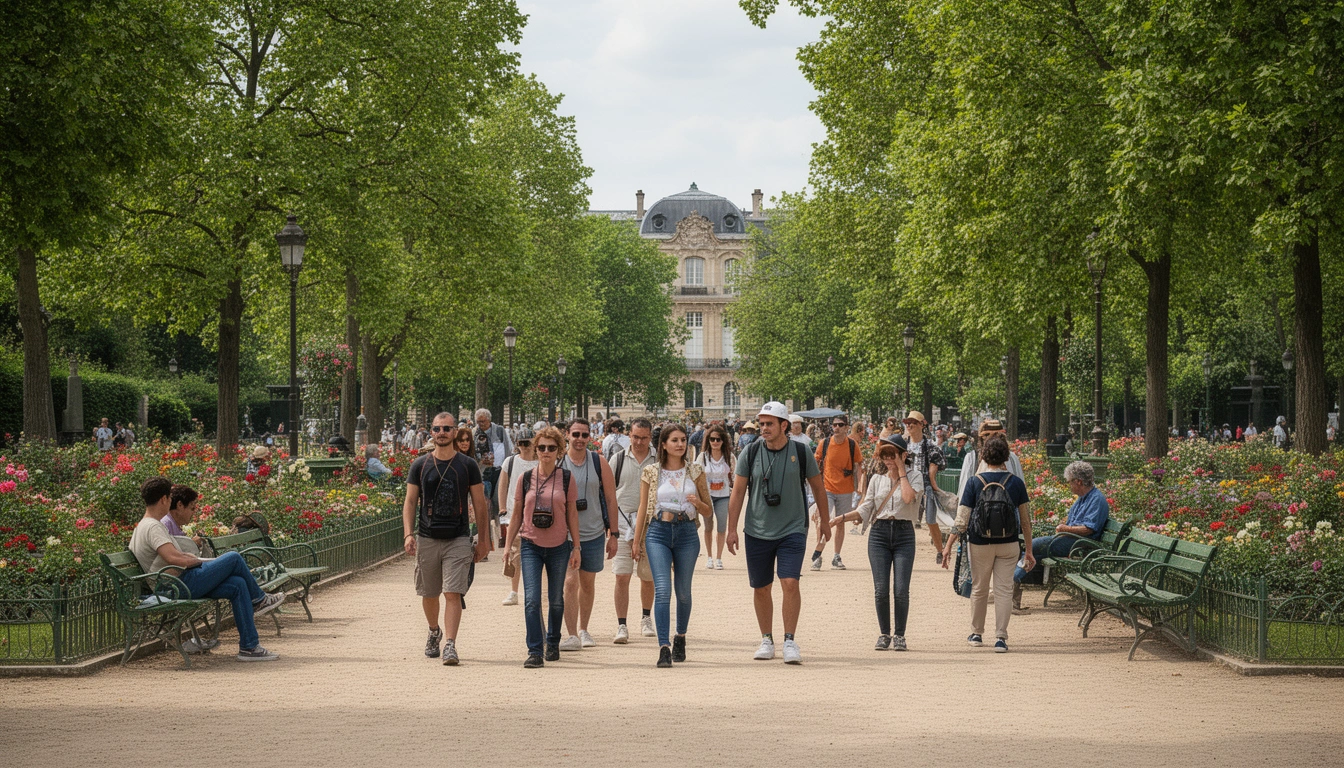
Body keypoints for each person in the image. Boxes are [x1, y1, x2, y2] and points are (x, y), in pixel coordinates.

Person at [128, 476, 284, 661]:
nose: (170, 502)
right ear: (163, 499)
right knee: (233, 558)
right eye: (169, 498)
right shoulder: (152, 526)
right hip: (177, 586)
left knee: (238, 584)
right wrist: (196, 560)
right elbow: (173, 558)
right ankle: (259, 599)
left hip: (177, 584)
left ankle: (249, 647)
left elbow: (172, 557)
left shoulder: (144, 525)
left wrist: (192, 559)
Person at [726, 402, 830, 665]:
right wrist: (731, 529)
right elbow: (737, 493)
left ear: (784, 425)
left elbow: (818, 488)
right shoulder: (750, 452)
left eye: (769, 423)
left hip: (792, 528)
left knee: (790, 582)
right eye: (761, 423)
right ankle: (766, 638)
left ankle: (790, 640)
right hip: (757, 529)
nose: (764, 428)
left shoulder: (801, 451)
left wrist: (826, 522)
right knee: (761, 587)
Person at [402, 412, 491, 666]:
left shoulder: (467, 465)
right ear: (431, 432)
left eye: (447, 429)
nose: (442, 433)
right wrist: (409, 533)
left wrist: (483, 540)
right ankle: (434, 631)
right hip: (427, 537)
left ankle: (450, 644)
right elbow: (410, 502)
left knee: (452, 592)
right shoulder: (420, 465)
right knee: (429, 593)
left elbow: (480, 504)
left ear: (455, 432)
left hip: (458, 538)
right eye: (437, 428)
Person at [940, 435, 1034, 653]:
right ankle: (1001, 637)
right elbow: (1026, 522)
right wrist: (1028, 550)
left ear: (982, 456)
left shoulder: (974, 482)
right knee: (1004, 590)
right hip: (1009, 543)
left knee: (979, 588)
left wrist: (948, 545)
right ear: (1006, 457)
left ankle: (976, 633)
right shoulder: (1016, 483)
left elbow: (962, 520)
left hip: (979, 542)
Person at [632, 423, 713, 667]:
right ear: (664, 444)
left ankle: (680, 636)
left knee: (684, 592)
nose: (680, 444)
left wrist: (697, 503)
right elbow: (643, 508)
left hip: (687, 532)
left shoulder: (696, 470)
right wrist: (637, 542)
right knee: (663, 590)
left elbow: (708, 510)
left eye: (683, 440)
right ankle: (663, 647)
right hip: (658, 532)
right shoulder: (651, 471)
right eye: (674, 440)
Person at [828, 436, 920, 650]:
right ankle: (884, 634)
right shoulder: (877, 480)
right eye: (885, 456)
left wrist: (901, 471)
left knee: (901, 589)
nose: (888, 460)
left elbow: (908, 498)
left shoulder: (915, 477)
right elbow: (865, 509)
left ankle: (899, 635)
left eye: (893, 455)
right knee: (880, 589)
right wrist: (840, 518)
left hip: (904, 533)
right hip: (879, 534)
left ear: (903, 455)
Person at [503, 426, 582, 668]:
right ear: (535, 450)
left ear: (559, 451)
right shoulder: (524, 478)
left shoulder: (566, 478)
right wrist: (507, 546)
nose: (546, 452)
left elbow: (572, 514)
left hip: (559, 545)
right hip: (530, 545)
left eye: (551, 448)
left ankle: (553, 641)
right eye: (541, 447)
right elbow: (516, 513)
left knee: (556, 600)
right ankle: (535, 650)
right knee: (532, 600)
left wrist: (576, 547)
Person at [557, 418, 620, 652]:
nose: (580, 439)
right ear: (567, 435)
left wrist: (614, 533)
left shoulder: (598, 461)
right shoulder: (558, 461)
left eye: (584, 435)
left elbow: (612, 499)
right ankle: (571, 633)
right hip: (563, 533)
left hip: (593, 531)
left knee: (587, 583)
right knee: (570, 583)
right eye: (576, 434)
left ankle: (584, 628)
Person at [1014, 460, 1109, 591]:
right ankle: (1012, 585)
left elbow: (1088, 529)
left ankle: (1011, 582)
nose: (1069, 485)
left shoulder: (1096, 499)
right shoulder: (1083, 497)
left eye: (1070, 482)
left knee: (1032, 546)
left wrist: (1065, 528)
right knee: (1033, 554)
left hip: (1080, 544)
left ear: (1078, 482)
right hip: (1071, 540)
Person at [610, 418, 659, 642]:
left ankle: (646, 617)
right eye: (635, 437)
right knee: (622, 575)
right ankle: (622, 624)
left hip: (651, 523)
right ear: (629, 435)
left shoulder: (659, 459)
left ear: (650, 437)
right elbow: (609, 494)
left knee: (647, 576)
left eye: (644, 437)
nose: (639, 442)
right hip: (622, 524)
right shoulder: (617, 459)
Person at [811, 415, 863, 571]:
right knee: (822, 520)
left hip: (846, 490)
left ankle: (836, 556)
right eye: (834, 425)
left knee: (840, 523)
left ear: (847, 427)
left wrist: (860, 485)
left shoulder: (852, 445)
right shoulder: (824, 444)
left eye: (840, 425)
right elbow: (815, 463)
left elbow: (859, 466)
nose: (837, 428)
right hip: (827, 488)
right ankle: (817, 556)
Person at [497, 427, 538, 605]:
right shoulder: (510, 462)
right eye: (521, 444)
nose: (525, 447)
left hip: (537, 513)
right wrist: (502, 508)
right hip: (514, 512)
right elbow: (503, 485)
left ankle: (535, 590)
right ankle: (513, 591)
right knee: (514, 553)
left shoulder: (540, 462)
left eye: (527, 443)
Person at [901, 411, 947, 564]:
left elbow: (942, 463)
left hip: (926, 487)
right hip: (908, 486)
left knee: (930, 520)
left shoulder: (930, 446)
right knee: (905, 520)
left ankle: (940, 551)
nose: (909, 425)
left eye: (912, 422)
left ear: (922, 424)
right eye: (907, 422)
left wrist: (933, 472)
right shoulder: (903, 445)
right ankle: (904, 553)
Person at [697, 423, 735, 570]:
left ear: (723, 441)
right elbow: (696, 474)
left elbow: (736, 475)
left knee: (721, 526)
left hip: (723, 495)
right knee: (708, 526)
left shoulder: (729, 456)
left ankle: (719, 557)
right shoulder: (703, 457)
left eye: (718, 439)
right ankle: (709, 557)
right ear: (708, 441)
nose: (715, 442)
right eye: (712, 439)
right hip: (707, 496)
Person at [474, 408, 513, 516]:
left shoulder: (499, 430)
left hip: (499, 470)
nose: (481, 424)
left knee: (498, 500)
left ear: (489, 420)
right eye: (478, 422)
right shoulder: (474, 433)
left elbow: (508, 448)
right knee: (484, 502)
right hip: (482, 472)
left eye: (483, 421)